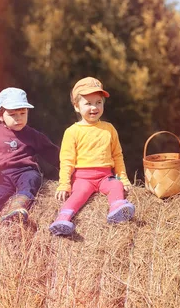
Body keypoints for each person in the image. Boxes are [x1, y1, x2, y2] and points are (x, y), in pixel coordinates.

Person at [0, 87, 60, 240]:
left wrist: (68, 168)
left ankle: (17, 209)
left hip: (25, 170)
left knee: (31, 181)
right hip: (2, 175)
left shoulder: (32, 134)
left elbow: (51, 152)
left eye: (23, 113)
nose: (18, 118)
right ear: (1, 115)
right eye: (12, 114)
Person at [49, 77, 135, 236]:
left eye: (98, 102)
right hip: (83, 178)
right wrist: (64, 184)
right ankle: (63, 218)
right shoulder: (72, 132)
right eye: (88, 103)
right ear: (76, 106)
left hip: (105, 177)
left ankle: (116, 208)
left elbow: (117, 156)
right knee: (79, 194)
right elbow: (67, 161)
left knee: (116, 186)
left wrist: (123, 179)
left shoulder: (109, 129)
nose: (94, 107)